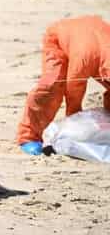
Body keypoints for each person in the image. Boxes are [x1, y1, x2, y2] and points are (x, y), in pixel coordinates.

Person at [17, 15, 110, 155]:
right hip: (59, 40)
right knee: (51, 87)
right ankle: (28, 136)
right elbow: (74, 88)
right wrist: (74, 123)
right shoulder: (85, 59)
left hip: (92, 36)